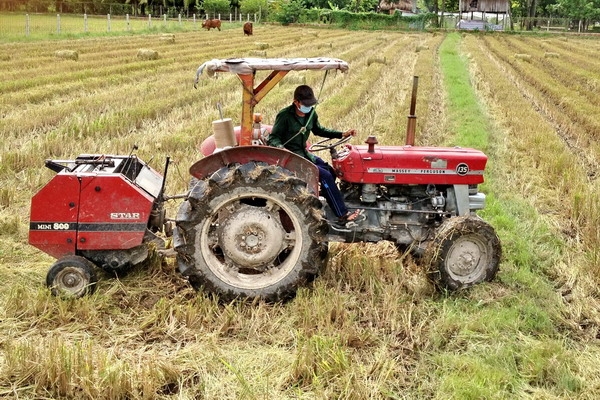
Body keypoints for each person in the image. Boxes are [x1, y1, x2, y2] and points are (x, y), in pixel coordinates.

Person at [267, 85, 363, 223]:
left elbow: (319, 130)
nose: (309, 107)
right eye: (306, 105)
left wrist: (341, 134)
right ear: (296, 102)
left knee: (331, 170)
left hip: (304, 154)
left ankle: (325, 198)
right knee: (324, 176)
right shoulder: (285, 115)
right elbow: (273, 137)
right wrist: (281, 148)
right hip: (292, 157)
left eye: (311, 104)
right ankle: (343, 215)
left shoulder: (311, 113)